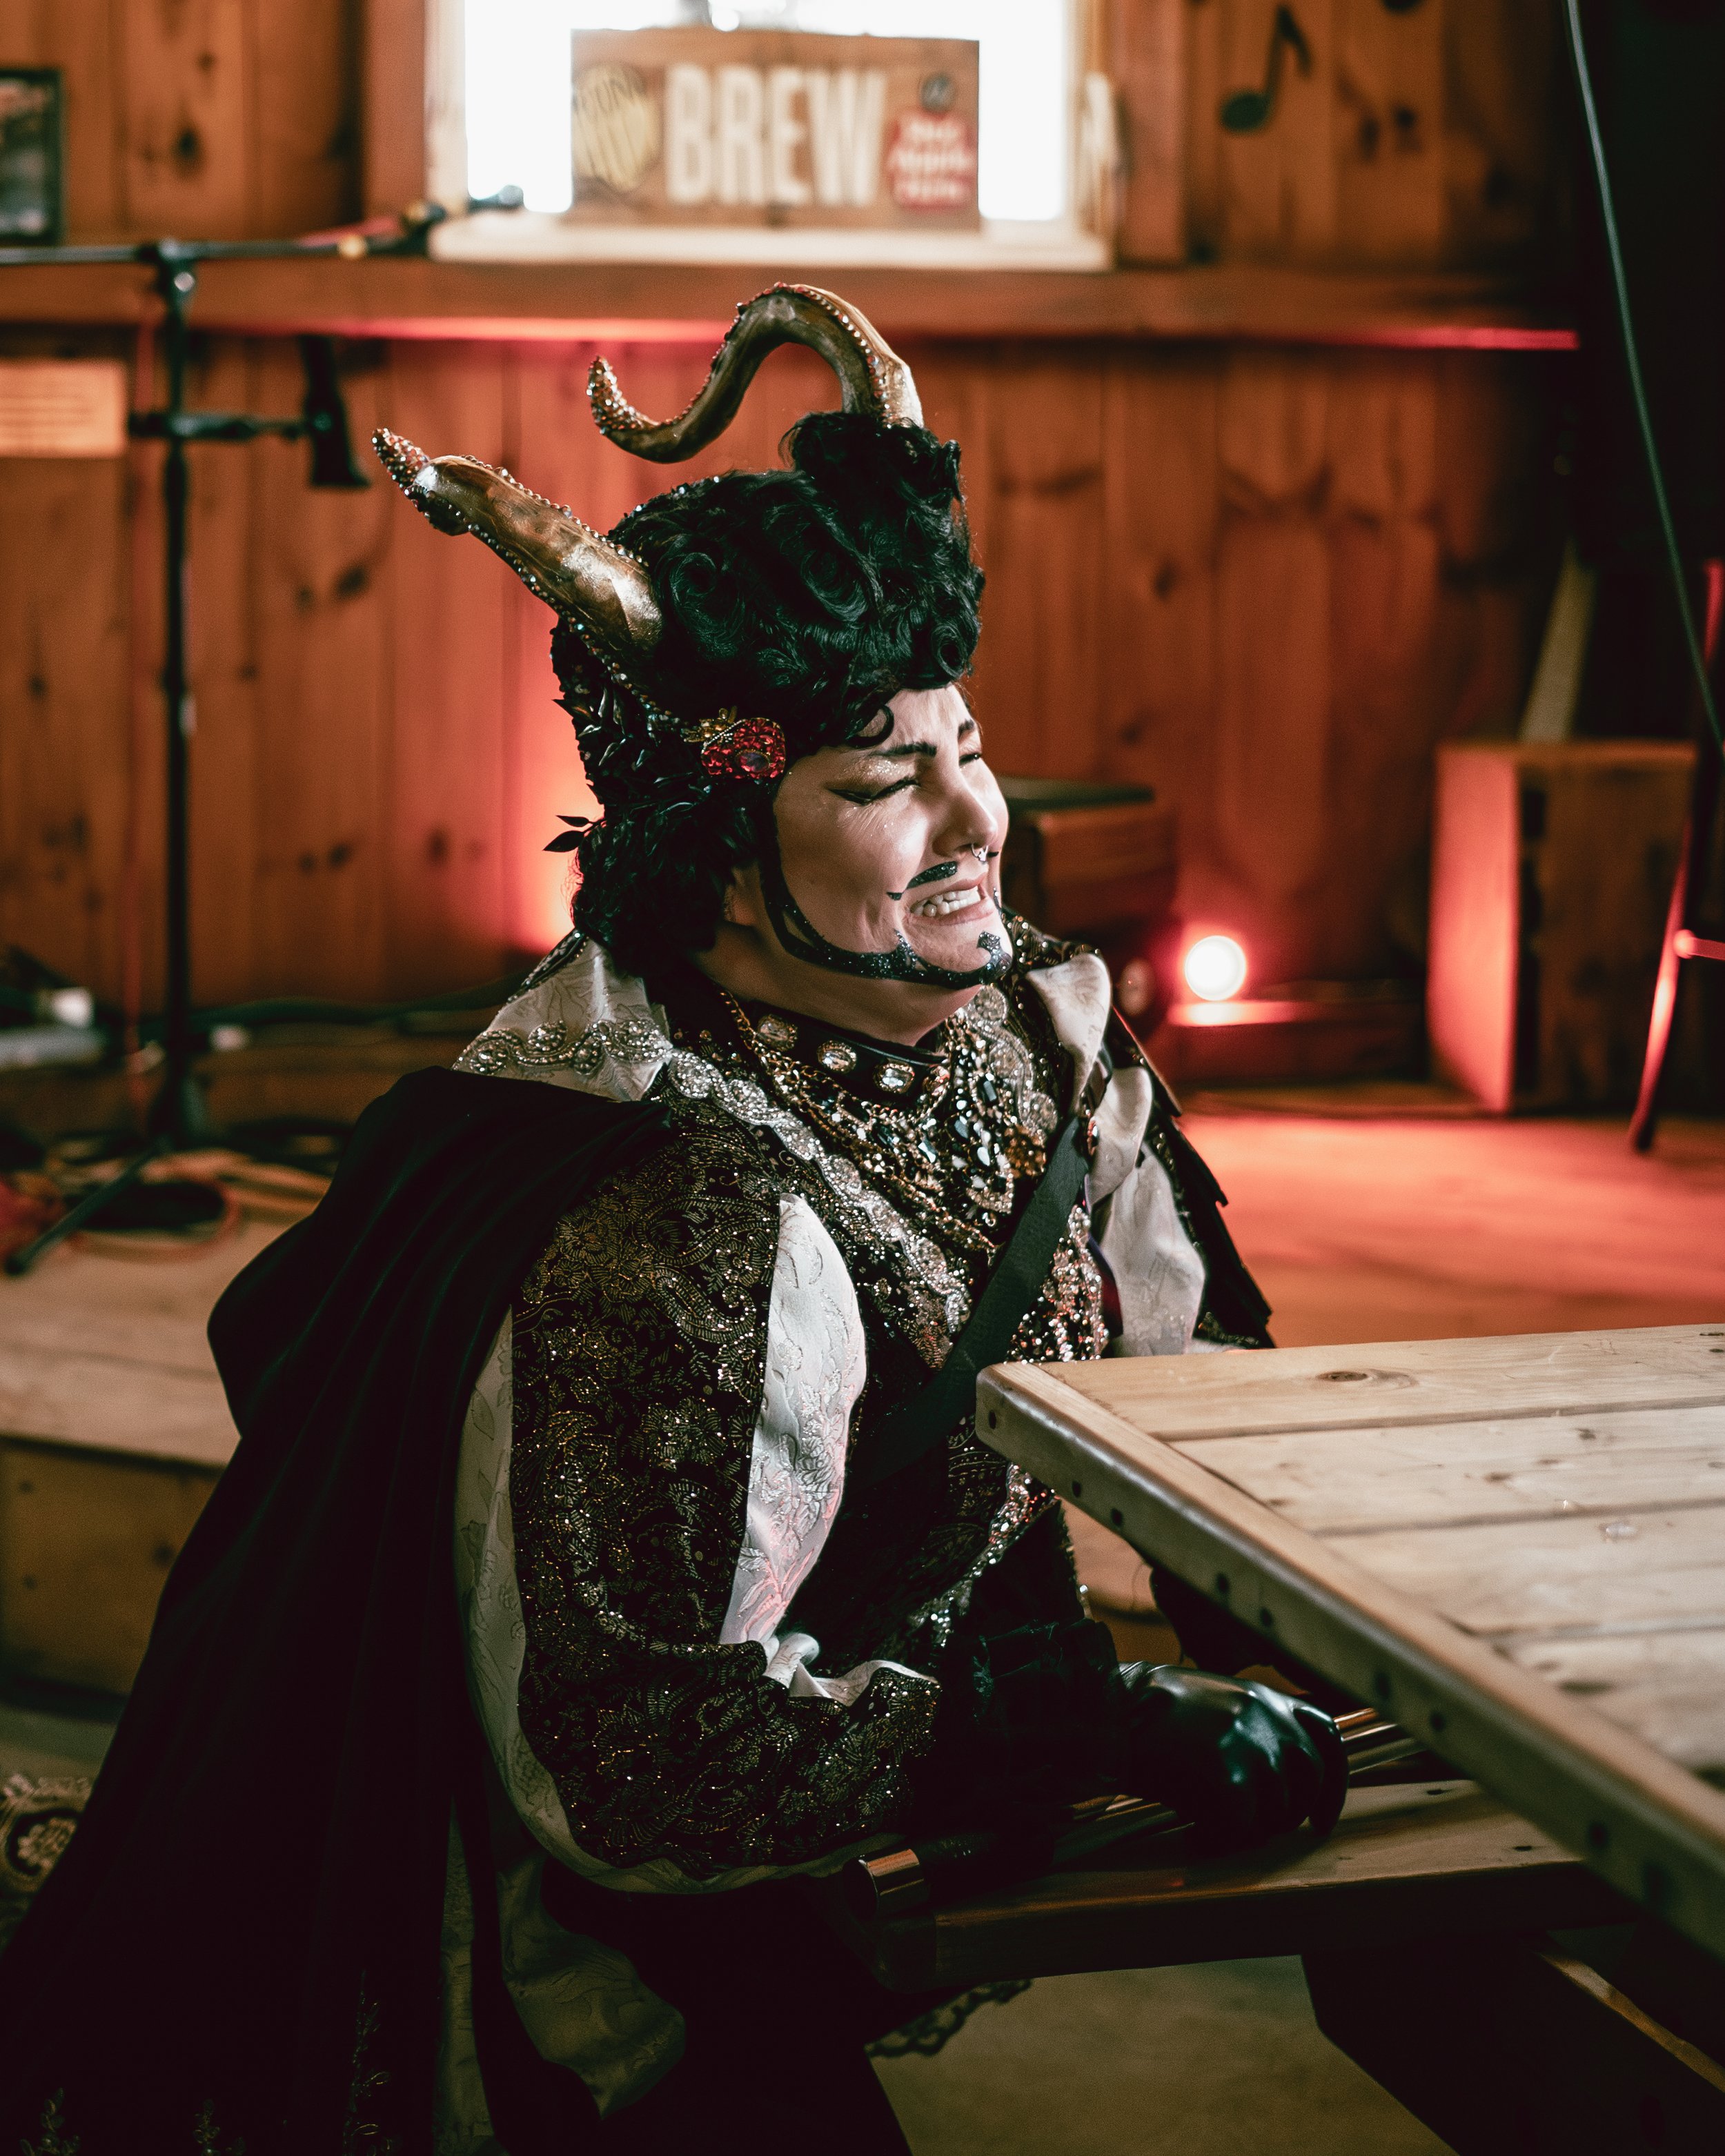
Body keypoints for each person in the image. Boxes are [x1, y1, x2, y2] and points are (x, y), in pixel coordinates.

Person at [0, 286, 1341, 2156]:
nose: (974, 819)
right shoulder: (672, 1213)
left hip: (838, 1815)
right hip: (601, 1965)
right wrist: (1083, 1730)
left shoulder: (1032, 1025)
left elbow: (1206, 1411)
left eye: (966, 742)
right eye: (879, 779)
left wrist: (1365, 1647)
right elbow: (642, 1766)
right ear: (715, 851)